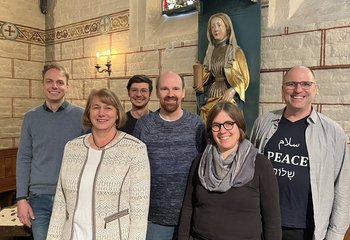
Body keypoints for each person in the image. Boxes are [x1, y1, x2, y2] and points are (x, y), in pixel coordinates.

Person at [250, 66, 350, 240]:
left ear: (315, 89)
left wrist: (335, 234)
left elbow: (343, 187)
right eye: (291, 84)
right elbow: (248, 168)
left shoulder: (333, 132)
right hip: (262, 223)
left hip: (305, 230)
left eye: (305, 84)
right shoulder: (263, 123)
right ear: (282, 89)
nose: (298, 90)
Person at [46, 88, 150, 239]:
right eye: (96, 107)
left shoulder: (134, 149)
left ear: (117, 114)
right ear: (88, 112)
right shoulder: (72, 147)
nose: (101, 113)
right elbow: (60, 202)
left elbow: (139, 210)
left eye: (108, 108)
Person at [178, 101, 281, 240]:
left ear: (239, 126)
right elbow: (188, 208)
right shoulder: (200, 162)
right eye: (216, 125)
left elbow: (272, 221)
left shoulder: (260, 165)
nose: (222, 130)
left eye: (229, 123)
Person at [16, 63, 86, 240]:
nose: (54, 86)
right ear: (43, 85)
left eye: (60, 82)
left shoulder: (82, 116)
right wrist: (21, 198)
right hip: (39, 198)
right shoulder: (31, 118)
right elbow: (24, 158)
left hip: (73, 195)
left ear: (67, 86)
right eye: (49, 81)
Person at [133, 71, 206, 240]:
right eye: (165, 89)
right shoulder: (144, 125)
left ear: (183, 92)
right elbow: (134, 172)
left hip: (190, 216)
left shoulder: (197, 125)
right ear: (157, 92)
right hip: (154, 219)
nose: (170, 94)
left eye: (175, 89)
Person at [193, 12, 250, 122]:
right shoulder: (210, 52)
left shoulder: (235, 51)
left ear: (227, 28)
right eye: (212, 26)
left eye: (219, 25)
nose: (215, 29)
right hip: (212, 93)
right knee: (208, 126)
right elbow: (207, 78)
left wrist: (233, 90)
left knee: (226, 124)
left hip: (227, 95)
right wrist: (199, 75)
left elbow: (245, 79)